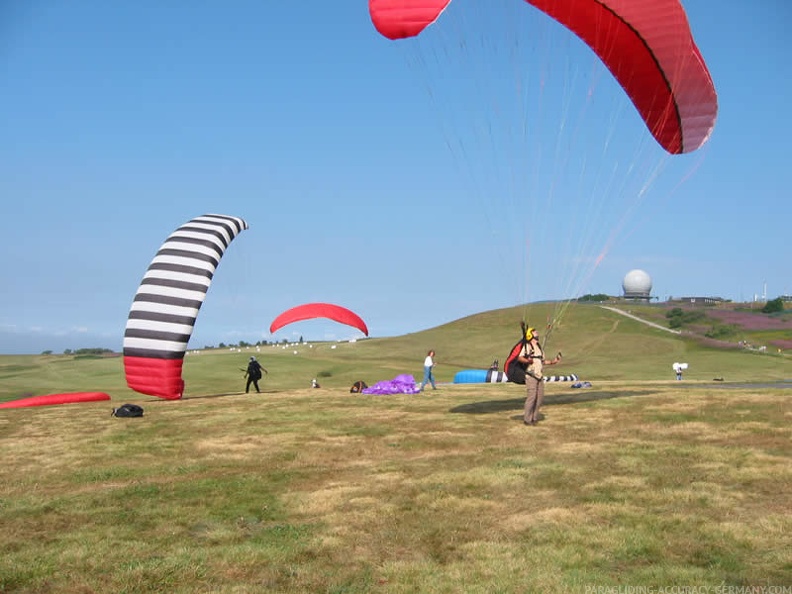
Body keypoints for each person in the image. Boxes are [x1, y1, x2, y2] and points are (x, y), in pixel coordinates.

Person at [517, 326, 561, 425]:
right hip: (531, 375)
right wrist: (528, 360)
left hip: (539, 376)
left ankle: (534, 418)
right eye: (535, 332)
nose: (537, 332)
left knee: (539, 398)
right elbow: (519, 358)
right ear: (530, 335)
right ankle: (527, 420)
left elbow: (542, 361)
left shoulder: (539, 348)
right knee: (532, 398)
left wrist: (553, 361)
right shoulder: (527, 346)